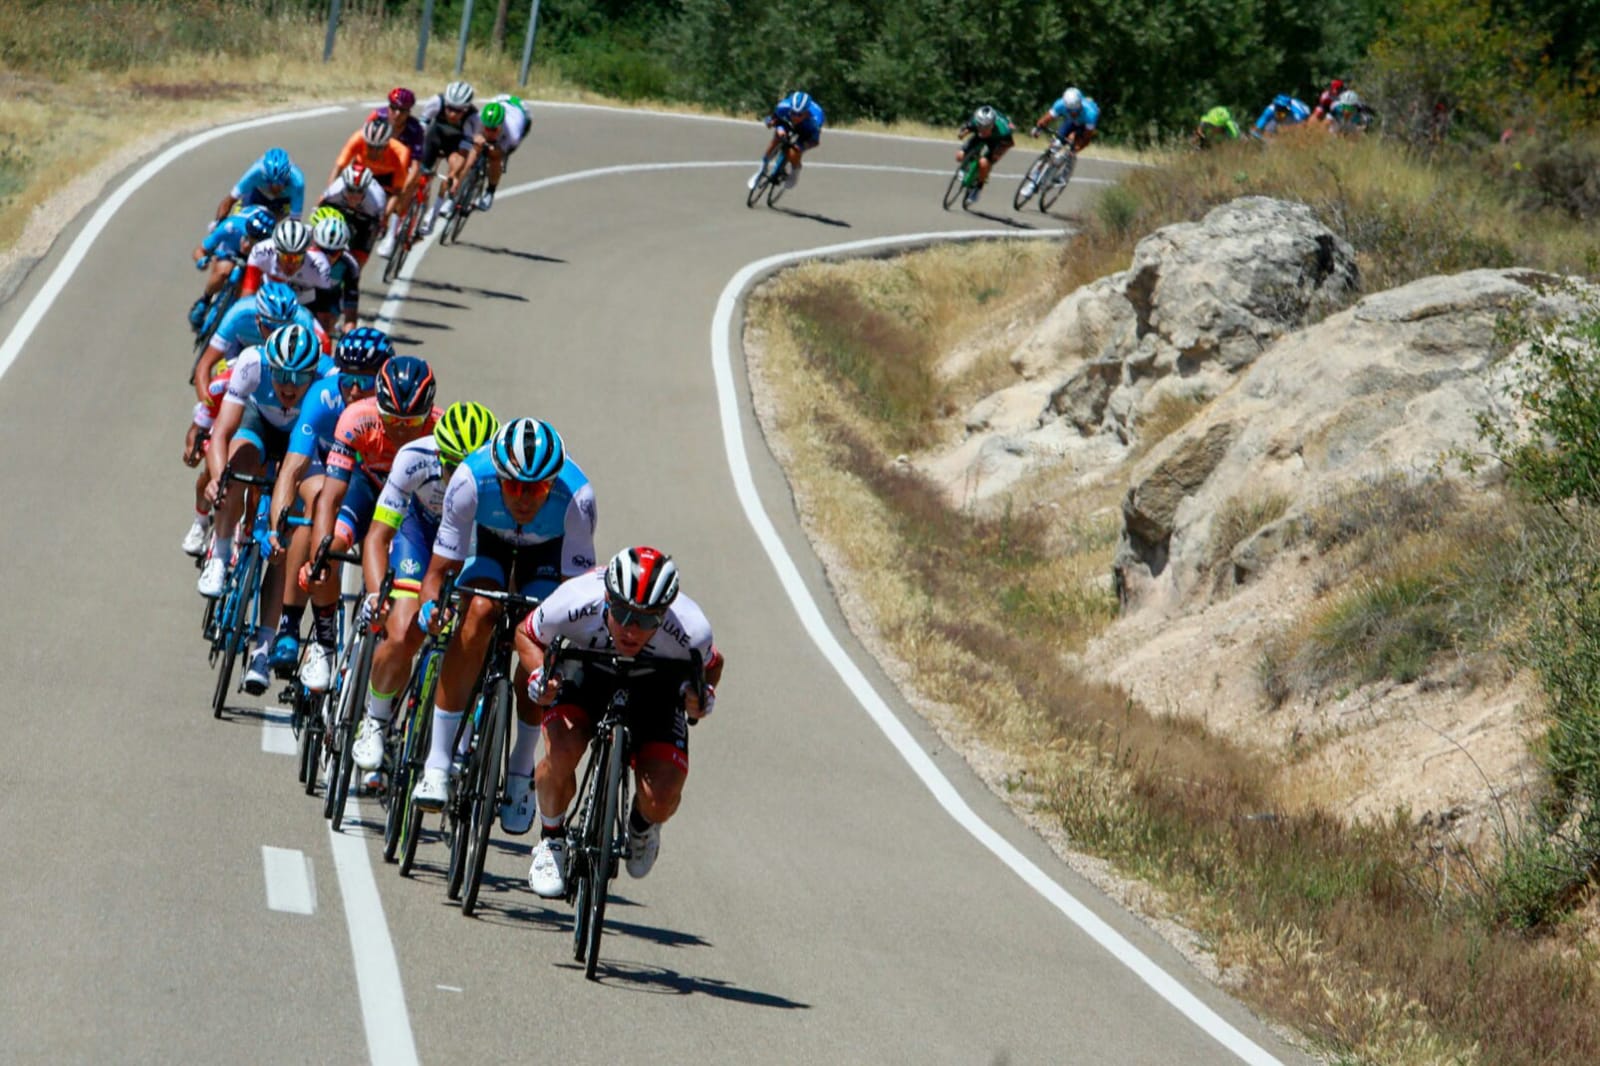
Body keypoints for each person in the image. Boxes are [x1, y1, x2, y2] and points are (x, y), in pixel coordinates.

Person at [410, 418, 597, 816]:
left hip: (546, 554)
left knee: (540, 639)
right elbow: (438, 572)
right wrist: (431, 608)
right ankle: (437, 763)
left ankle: (520, 767)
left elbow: (576, 594)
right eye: (513, 487)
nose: (524, 499)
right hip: (488, 543)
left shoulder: (578, 498)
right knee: (479, 612)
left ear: (553, 483)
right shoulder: (470, 481)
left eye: (538, 489)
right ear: (498, 477)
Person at [518, 546, 725, 897]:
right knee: (562, 752)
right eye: (621, 613)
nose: (631, 629)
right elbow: (527, 635)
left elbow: (712, 666)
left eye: (646, 621)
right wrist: (539, 674)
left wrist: (700, 696)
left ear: (664, 614)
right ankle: (551, 839)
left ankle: (642, 825)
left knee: (661, 797)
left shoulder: (691, 628)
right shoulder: (574, 600)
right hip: (586, 673)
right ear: (607, 598)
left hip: (656, 687)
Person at [350, 402, 500, 789]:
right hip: (419, 535)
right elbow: (378, 536)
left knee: (472, 630)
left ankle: (457, 732)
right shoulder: (413, 458)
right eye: (452, 465)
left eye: (470, 468)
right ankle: (375, 719)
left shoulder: (499, 479)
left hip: (469, 542)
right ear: (438, 454)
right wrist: (376, 596)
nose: (459, 477)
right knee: (403, 631)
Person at [297, 355, 440, 692]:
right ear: (378, 406)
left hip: (408, 507)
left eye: (412, 421)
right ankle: (325, 642)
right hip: (366, 490)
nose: (401, 430)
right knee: (331, 546)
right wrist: (319, 557)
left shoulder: (441, 430)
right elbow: (330, 498)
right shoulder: (356, 418)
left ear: (429, 413)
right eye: (391, 419)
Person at [198, 324, 322, 693]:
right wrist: (219, 479)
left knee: (284, 542)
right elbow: (222, 433)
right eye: (281, 375)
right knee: (237, 469)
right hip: (259, 425)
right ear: (270, 367)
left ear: (313, 373)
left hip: (300, 438)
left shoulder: (325, 382)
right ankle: (221, 554)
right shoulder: (252, 363)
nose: (288, 386)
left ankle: (262, 651)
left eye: (298, 378)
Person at [265, 326, 390, 671]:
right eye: (347, 379)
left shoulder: (393, 407)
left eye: (364, 382)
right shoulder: (323, 397)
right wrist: (276, 527)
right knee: (317, 503)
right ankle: (291, 624)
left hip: (371, 477)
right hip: (324, 466)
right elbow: (292, 469)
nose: (354, 390)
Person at [191, 280, 325, 407]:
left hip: (283, 353)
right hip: (242, 346)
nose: (275, 334)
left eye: (283, 328)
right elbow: (204, 366)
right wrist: (206, 409)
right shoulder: (239, 313)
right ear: (257, 319)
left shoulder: (303, 321)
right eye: (270, 326)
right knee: (224, 379)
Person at [188, 205, 274, 332]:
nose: (247, 245)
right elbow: (200, 250)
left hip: (254, 259)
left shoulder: (271, 247)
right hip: (230, 250)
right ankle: (204, 301)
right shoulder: (231, 226)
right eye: (248, 238)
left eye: (255, 243)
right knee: (223, 271)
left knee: (246, 290)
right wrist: (201, 261)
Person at [415, 81, 480, 241]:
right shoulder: (436, 102)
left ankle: (434, 214)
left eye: (458, 111)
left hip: (455, 146)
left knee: (452, 175)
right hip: (434, 139)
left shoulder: (473, 118)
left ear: (466, 109)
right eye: (449, 108)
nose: (452, 114)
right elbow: (421, 129)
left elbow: (463, 152)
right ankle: (418, 202)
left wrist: (454, 174)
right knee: (420, 174)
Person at [366, 88, 425, 256]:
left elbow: (416, 165)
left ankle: (391, 235)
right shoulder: (377, 116)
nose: (397, 114)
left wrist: (405, 187)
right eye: (394, 108)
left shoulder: (415, 129)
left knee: (409, 186)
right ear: (388, 106)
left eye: (403, 111)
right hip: (379, 160)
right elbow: (363, 143)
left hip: (402, 166)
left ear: (409, 112)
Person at [240, 217, 333, 310]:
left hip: (302, 306)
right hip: (268, 298)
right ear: (276, 252)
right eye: (285, 257)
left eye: (297, 258)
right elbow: (248, 293)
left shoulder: (320, 266)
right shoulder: (261, 251)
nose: (290, 264)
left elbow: (323, 311)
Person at [457, 99, 525, 213]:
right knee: (472, 150)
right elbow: (468, 133)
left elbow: (503, 150)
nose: (489, 132)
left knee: (495, 157)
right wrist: (474, 137)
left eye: (493, 129)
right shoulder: (476, 119)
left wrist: (496, 150)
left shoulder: (513, 132)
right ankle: (455, 191)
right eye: (487, 128)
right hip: (499, 103)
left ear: (501, 125)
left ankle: (490, 191)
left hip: (518, 116)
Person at [749, 91, 825, 192]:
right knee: (777, 138)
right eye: (793, 113)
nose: (795, 117)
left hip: (806, 130)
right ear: (790, 108)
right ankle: (762, 168)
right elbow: (773, 120)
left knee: (793, 152)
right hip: (786, 122)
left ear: (806, 113)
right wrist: (771, 123)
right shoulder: (783, 106)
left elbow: (814, 141)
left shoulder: (815, 120)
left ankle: (795, 171)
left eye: (799, 115)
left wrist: (801, 147)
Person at [315, 162, 387, 265]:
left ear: (366, 189)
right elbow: (320, 205)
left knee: (360, 257)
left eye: (359, 191)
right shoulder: (335, 190)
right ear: (345, 185)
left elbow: (379, 224)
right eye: (350, 190)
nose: (354, 195)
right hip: (340, 210)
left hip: (366, 219)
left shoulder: (376, 201)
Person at [215, 147, 304, 225]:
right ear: (264, 176)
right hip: (258, 194)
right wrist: (218, 225)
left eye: (281, 184)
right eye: (271, 183)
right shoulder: (255, 173)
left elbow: (295, 221)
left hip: (283, 201)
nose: (276, 189)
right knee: (241, 222)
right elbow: (229, 200)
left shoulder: (297, 182)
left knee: (265, 226)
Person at [308, 211, 361, 338]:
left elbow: (351, 307)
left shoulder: (350, 265)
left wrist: (349, 332)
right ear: (315, 244)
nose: (327, 257)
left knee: (325, 327)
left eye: (333, 253)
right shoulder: (305, 254)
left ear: (342, 250)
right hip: (304, 291)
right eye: (323, 250)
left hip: (330, 297)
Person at [954, 105, 1015, 203]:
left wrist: (997, 154)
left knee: (983, 163)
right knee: (959, 156)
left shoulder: (1003, 131)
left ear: (992, 124)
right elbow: (966, 129)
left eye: (985, 127)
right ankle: (965, 167)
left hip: (995, 141)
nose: (982, 129)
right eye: (979, 126)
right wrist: (962, 134)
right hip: (979, 137)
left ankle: (978, 188)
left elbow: (1009, 144)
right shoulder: (975, 120)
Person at [1032, 86, 1100, 153]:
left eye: (1076, 111)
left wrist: (1077, 147)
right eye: (1070, 111)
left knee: (1075, 145)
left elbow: (1087, 136)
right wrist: (1038, 128)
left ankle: (1070, 155)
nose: (1073, 113)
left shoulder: (1090, 114)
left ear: (1080, 105)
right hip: (1071, 121)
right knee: (1056, 143)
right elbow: (1046, 119)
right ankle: (1049, 156)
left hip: (1084, 125)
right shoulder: (1060, 104)